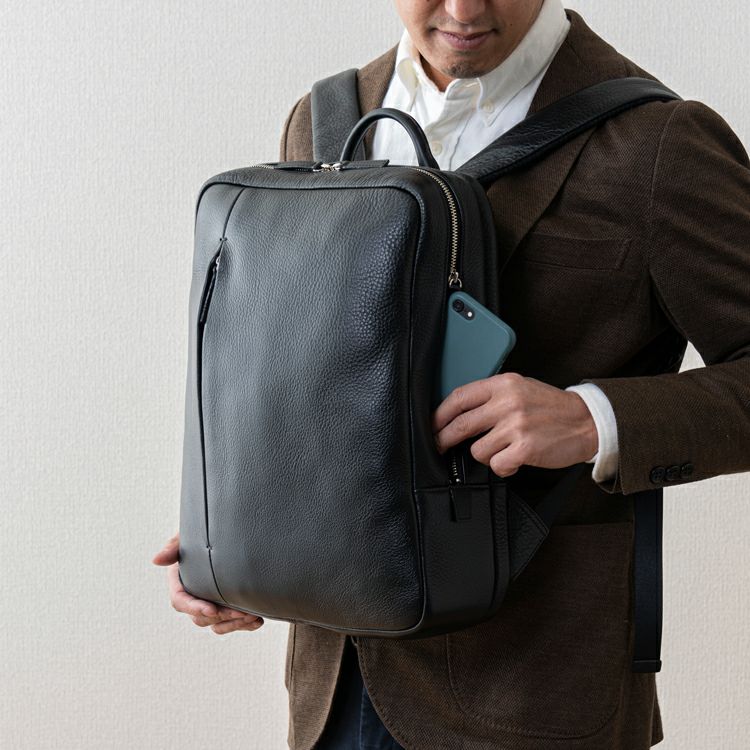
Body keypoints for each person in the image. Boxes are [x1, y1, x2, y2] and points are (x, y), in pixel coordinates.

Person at [154, 1, 750, 748]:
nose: (465, 9)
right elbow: (305, 372)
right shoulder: (323, 117)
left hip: (534, 692)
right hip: (332, 684)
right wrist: (235, 534)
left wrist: (593, 418)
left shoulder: (658, 140)